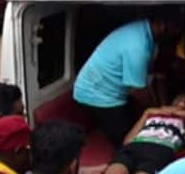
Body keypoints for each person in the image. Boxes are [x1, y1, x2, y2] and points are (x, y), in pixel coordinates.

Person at [73, 12, 174, 147]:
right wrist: (156, 111)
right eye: (175, 29)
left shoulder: (145, 34)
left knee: (137, 121)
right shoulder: (138, 46)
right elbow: (137, 90)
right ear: (161, 25)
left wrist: (160, 106)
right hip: (98, 94)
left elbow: (149, 79)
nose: (176, 33)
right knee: (128, 140)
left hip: (110, 88)